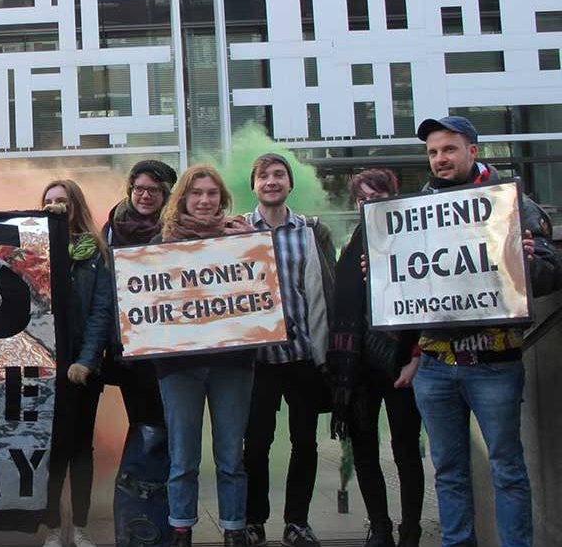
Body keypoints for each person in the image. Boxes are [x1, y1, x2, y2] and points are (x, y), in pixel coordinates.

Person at [410, 116, 560, 547]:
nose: (440, 159)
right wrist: (380, 273)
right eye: (433, 152)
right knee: (448, 472)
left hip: (494, 364)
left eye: (449, 149)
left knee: (506, 468)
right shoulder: (416, 211)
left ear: (473, 151)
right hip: (435, 366)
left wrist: (527, 263)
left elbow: (551, 272)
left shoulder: (513, 203)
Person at [150, 164, 254, 547]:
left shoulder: (243, 237)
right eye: (196, 193)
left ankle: (234, 530)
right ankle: (181, 530)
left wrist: (251, 245)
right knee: (182, 458)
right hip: (179, 366)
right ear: (182, 199)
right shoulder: (160, 244)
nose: (205, 200)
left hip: (232, 364)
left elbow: (264, 294)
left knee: (231, 457)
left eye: (212, 193)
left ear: (222, 198)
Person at [240, 153, 335, 547]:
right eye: (263, 175)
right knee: (255, 444)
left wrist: (327, 354)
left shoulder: (311, 231)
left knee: (305, 443)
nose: (271, 181)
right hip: (259, 361)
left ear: (290, 183)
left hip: (303, 357)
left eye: (279, 174)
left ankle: (297, 521)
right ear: (254, 185)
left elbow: (324, 290)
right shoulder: (238, 231)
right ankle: (253, 520)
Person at [326, 169, 423, 547]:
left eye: (377, 197)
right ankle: (380, 528)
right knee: (364, 450)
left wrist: (416, 355)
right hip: (358, 367)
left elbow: (427, 302)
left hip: (400, 360)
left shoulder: (413, 237)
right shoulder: (352, 244)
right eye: (363, 198)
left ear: (392, 197)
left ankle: (410, 530)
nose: (369, 204)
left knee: (406, 450)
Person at [96, 159, 177, 547]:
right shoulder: (110, 230)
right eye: (140, 188)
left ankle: (167, 514)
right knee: (145, 425)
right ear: (130, 190)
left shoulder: (179, 228)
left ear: (166, 195)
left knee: (167, 428)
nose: (145, 196)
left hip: (170, 351)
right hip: (129, 350)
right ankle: (141, 512)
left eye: (154, 190)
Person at [39, 180, 115, 547]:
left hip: (83, 368)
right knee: (53, 450)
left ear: (76, 206)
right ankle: (54, 527)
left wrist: (86, 361)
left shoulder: (97, 252)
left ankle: (81, 526)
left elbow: (102, 312)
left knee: (81, 449)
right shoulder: (34, 248)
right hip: (45, 368)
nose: (55, 206)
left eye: (62, 201)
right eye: (48, 201)